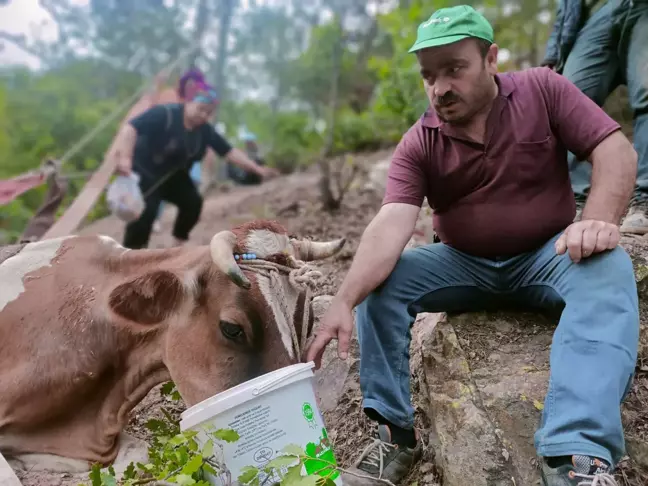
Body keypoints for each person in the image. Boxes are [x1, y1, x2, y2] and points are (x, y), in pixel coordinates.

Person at [305, 6, 639, 486]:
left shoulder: (544, 90)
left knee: (609, 269)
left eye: (454, 69)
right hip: (462, 265)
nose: (439, 87)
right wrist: (342, 299)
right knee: (382, 285)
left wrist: (598, 222)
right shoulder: (420, 141)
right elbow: (391, 223)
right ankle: (392, 440)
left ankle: (577, 458)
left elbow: (614, 150)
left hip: (550, 255)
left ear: (491, 59)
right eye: (429, 75)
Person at [111, 83, 277, 249]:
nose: (204, 115)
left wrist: (257, 169)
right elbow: (131, 127)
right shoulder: (165, 114)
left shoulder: (205, 131)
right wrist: (125, 157)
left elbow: (229, 152)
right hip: (146, 172)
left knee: (193, 202)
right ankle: (133, 254)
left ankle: (177, 245)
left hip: (174, 176)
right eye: (201, 108)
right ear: (189, 102)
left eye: (209, 112)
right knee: (146, 212)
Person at [541, 0, 648, 233]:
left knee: (647, 92)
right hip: (595, 14)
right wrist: (553, 54)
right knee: (568, 100)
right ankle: (576, 201)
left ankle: (644, 200)